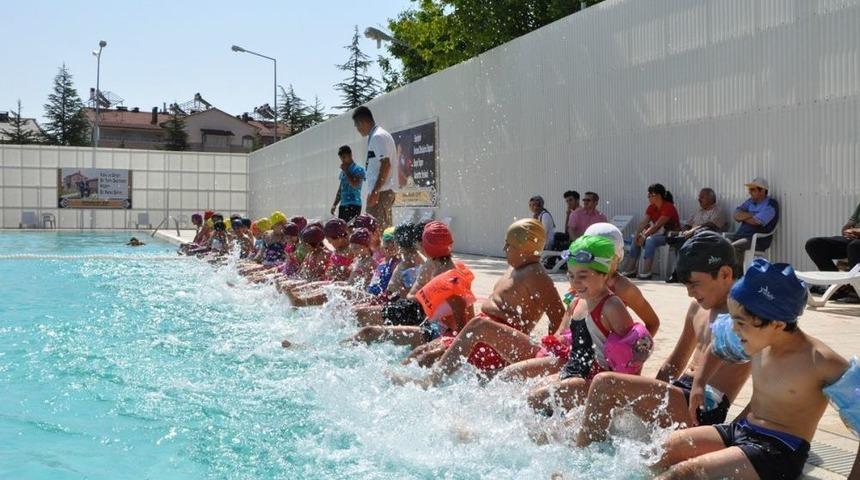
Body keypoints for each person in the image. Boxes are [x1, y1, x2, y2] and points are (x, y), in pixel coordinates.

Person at [655, 259, 857, 480]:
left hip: (779, 449)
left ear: (778, 325)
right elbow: (717, 344)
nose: (733, 329)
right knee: (660, 450)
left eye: (740, 323)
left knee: (686, 474)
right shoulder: (757, 336)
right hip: (741, 429)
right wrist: (699, 384)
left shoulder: (821, 362)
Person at [575, 232, 751, 447]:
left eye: (694, 284)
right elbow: (674, 363)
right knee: (587, 412)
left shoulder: (748, 319)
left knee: (605, 384)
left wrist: (735, 435)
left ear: (725, 274)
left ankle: (583, 459)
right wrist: (651, 393)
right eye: (686, 286)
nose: (689, 293)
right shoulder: (698, 308)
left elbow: (767, 388)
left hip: (704, 407)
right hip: (678, 392)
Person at [391, 219, 567, 385]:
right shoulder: (515, 267)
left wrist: (544, 354)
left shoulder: (535, 274)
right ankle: (391, 377)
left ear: (525, 248)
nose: (504, 248)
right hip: (481, 331)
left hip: (494, 337)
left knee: (431, 356)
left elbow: (558, 315)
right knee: (423, 350)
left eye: (509, 245)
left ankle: (431, 381)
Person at [620, 183, 681, 279]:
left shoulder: (668, 207)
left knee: (650, 240)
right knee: (635, 238)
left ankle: (647, 271)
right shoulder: (651, 207)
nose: (648, 197)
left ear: (658, 196)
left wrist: (644, 236)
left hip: (670, 236)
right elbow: (643, 223)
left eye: (650, 195)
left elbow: (657, 225)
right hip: (659, 234)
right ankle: (631, 269)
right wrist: (637, 236)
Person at [804, 199, 860, 302]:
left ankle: (857, 290)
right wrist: (847, 230)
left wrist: (857, 231)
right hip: (854, 239)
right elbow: (849, 225)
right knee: (814, 244)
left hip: (856, 242)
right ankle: (838, 287)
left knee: (854, 246)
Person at [352, 106, 396, 230]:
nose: (357, 129)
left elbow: (386, 164)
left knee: (373, 234)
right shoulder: (379, 135)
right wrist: (372, 190)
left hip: (381, 193)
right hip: (381, 192)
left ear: (363, 122)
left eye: (357, 125)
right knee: (382, 232)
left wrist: (375, 191)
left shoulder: (378, 137)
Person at [727, 177, 780, 271]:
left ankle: (739, 276)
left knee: (734, 247)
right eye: (749, 189)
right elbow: (735, 215)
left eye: (752, 189)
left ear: (762, 191)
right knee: (720, 243)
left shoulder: (771, 204)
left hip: (756, 240)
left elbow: (756, 222)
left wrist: (743, 217)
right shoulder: (750, 202)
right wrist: (752, 215)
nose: (749, 192)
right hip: (741, 236)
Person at [330, 145, 366, 223]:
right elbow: (340, 189)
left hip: (354, 205)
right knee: (342, 231)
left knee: (350, 229)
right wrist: (334, 204)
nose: (342, 160)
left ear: (350, 155)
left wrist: (346, 171)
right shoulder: (343, 172)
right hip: (343, 205)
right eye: (341, 158)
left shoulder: (359, 169)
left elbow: (355, 184)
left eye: (344, 157)